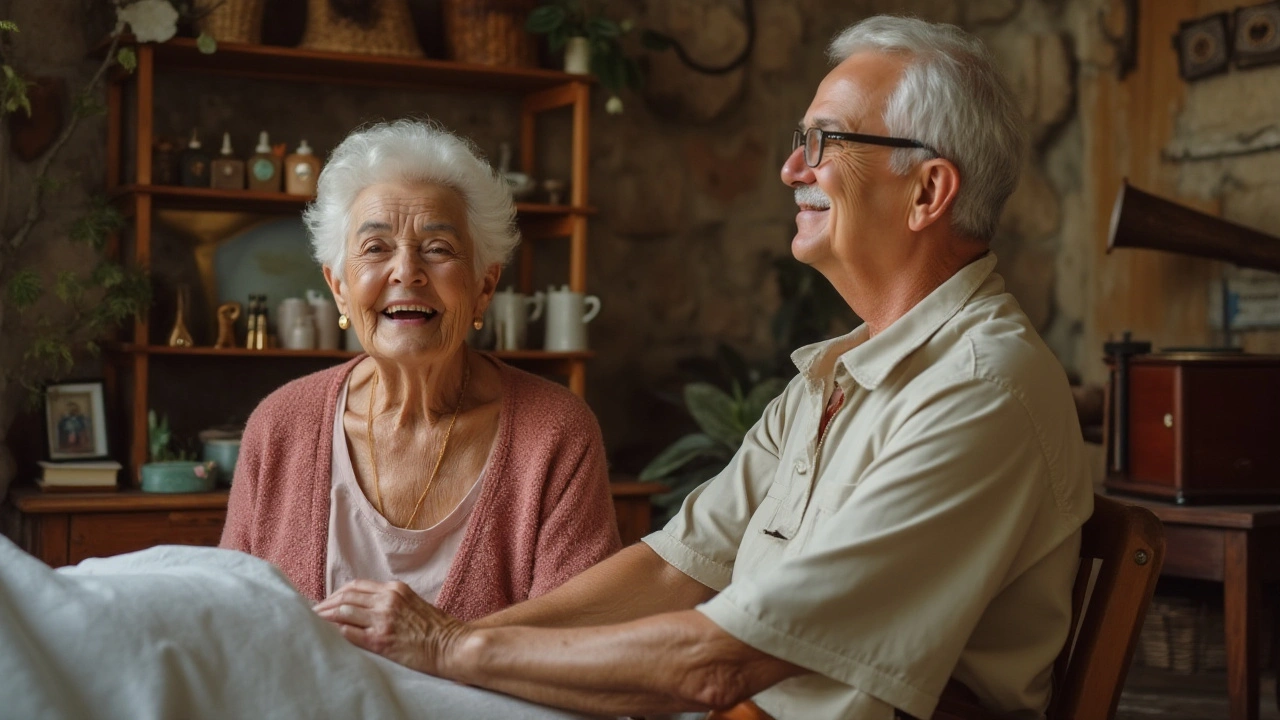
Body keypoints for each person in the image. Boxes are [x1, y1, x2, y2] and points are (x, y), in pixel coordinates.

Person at [314, 16, 1095, 720]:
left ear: (927, 191)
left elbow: (720, 665)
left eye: (825, 141)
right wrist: (447, 644)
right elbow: (671, 571)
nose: (793, 168)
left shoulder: (979, 391)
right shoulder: (837, 376)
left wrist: (450, 652)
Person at [220, 120, 621, 620]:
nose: (406, 271)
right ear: (339, 286)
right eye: (375, 248)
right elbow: (233, 621)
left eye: (437, 248)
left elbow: (578, 637)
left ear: (484, 286)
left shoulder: (556, 432)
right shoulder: (280, 424)